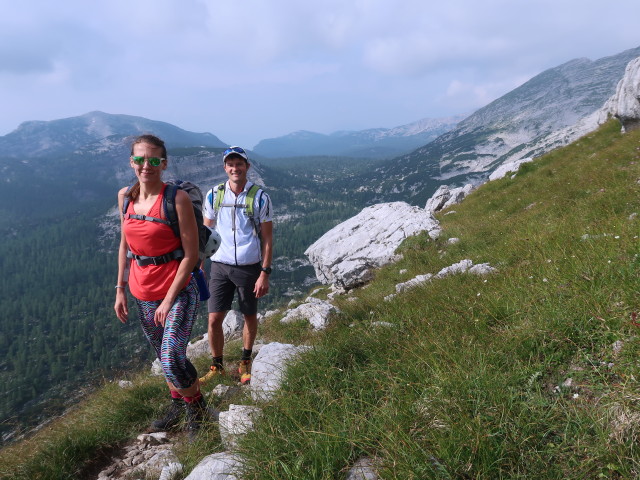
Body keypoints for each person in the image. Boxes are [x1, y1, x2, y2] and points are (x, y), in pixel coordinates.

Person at [114, 134, 207, 439]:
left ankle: (198, 411)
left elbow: (191, 255)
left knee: (171, 357)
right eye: (140, 159)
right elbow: (125, 245)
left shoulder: (175, 199)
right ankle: (177, 404)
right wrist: (120, 288)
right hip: (143, 293)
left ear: (164, 164)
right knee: (165, 357)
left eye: (154, 160)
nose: (146, 166)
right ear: (131, 161)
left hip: (177, 291)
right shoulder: (125, 197)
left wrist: (168, 300)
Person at [200, 146, 273, 385]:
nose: (235, 168)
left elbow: (267, 239)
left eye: (239, 164)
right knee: (213, 318)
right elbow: (206, 233)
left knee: (249, 316)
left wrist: (264, 272)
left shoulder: (260, 197)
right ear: (225, 168)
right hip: (219, 265)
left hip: (248, 266)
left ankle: (245, 361)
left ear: (247, 167)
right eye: (230, 164)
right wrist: (199, 263)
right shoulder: (214, 195)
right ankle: (217, 365)